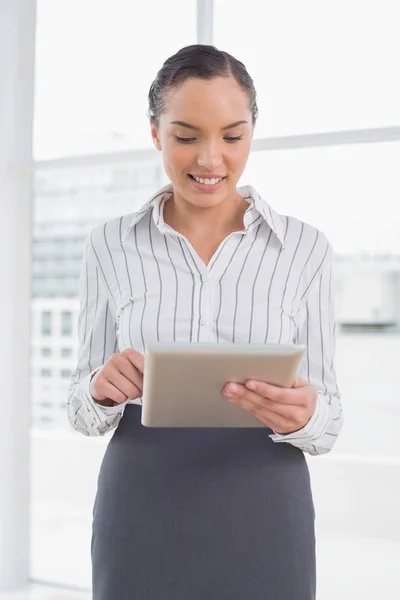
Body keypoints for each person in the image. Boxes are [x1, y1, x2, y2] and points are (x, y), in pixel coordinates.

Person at [68, 44, 343, 600]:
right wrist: (100, 392)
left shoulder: (306, 249)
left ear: (252, 133)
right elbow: (81, 408)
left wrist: (305, 414)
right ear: (155, 133)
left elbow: (330, 420)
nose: (210, 159)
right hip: (141, 497)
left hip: (266, 499)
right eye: (186, 136)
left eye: (232, 136)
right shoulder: (109, 245)